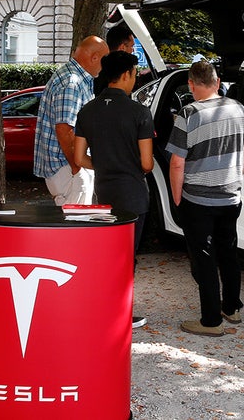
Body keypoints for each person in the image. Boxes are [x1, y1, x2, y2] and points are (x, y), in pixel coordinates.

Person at [166, 61, 244, 337]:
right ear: (217, 83)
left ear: (191, 85)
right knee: (229, 253)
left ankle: (211, 321)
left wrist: (177, 199)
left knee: (204, 259)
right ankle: (232, 308)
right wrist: (231, 180)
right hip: (231, 197)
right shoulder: (239, 109)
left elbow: (177, 162)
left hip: (198, 200)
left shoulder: (188, 113)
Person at [74, 51, 154, 328]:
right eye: (134, 74)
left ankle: (102, 306)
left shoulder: (88, 110)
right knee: (126, 258)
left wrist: (105, 163)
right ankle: (121, 314)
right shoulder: (139, 112)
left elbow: (79, 158)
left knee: (107, 255)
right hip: (132, 194)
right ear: (126, 75)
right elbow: (146, 163)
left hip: (104, 192)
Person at [34, 35, 109, 205]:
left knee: (74, 224)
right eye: (105, 60)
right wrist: (77, 167)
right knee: (74, 225)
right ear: (94, 57)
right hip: (68, 168)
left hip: (69, 167)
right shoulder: (72, 82)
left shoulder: (72, 77)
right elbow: (64, 129)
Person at [95, 24, 135, 95]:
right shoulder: (119, 69)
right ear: (122, 47)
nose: (133, 50)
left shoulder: (97, 66)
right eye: (131, 46)